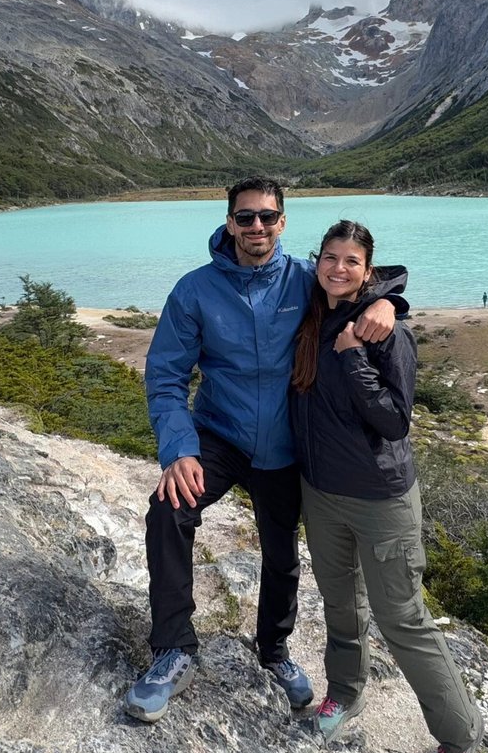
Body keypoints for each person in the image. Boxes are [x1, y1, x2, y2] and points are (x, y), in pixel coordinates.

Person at [127, 177, 405, 724]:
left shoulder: (306, 279)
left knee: (282, 556)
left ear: (283, 222)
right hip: (220, 436)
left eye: (268, 217)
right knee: (169, 509)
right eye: (246, 217)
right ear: (230, 222)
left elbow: (365, 282)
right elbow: (165, 377)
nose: (257, 226)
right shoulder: (194, 291)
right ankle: (174, 648)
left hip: (285, 444)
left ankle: (273, 651)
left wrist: (391, 305)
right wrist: (179, 448)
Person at [291, 220, 483, 753]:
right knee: (341, 606)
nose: (338, 269)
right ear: (318, 261)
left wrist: (355, 353)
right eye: (330, 257)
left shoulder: (384, 332)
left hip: (380, 498)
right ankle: (346, 695)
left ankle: (459, 735)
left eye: (352, 261)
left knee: (402, 618)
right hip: (321, 491)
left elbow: (395, 422)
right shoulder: (311, 309)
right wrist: (391, 299)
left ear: (367, 270)